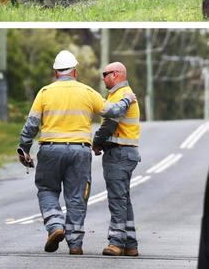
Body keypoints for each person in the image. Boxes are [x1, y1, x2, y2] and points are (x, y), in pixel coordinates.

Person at [18, 50, 136, 255]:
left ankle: (55, 226)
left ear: (56, 73)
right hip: (80, 151)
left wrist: (24, 149)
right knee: (77, 197)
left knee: (47, 190)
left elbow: (31, 125)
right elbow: (114, 112)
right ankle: (75, 244)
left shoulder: (45, 92)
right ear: (75, 72)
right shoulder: (87, 92)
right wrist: (128, 99)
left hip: (50, 150)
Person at [92, 62, 141, 257]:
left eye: (105, 74)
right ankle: (130, 244)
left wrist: (96, 142)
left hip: (119, 153)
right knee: (124, 199)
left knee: (117, 199)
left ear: (116, 74)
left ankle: (116, 242)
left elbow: (109, 126)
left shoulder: (122, 96)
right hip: (125, 153)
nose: (103, 77)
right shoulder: (119, 95)